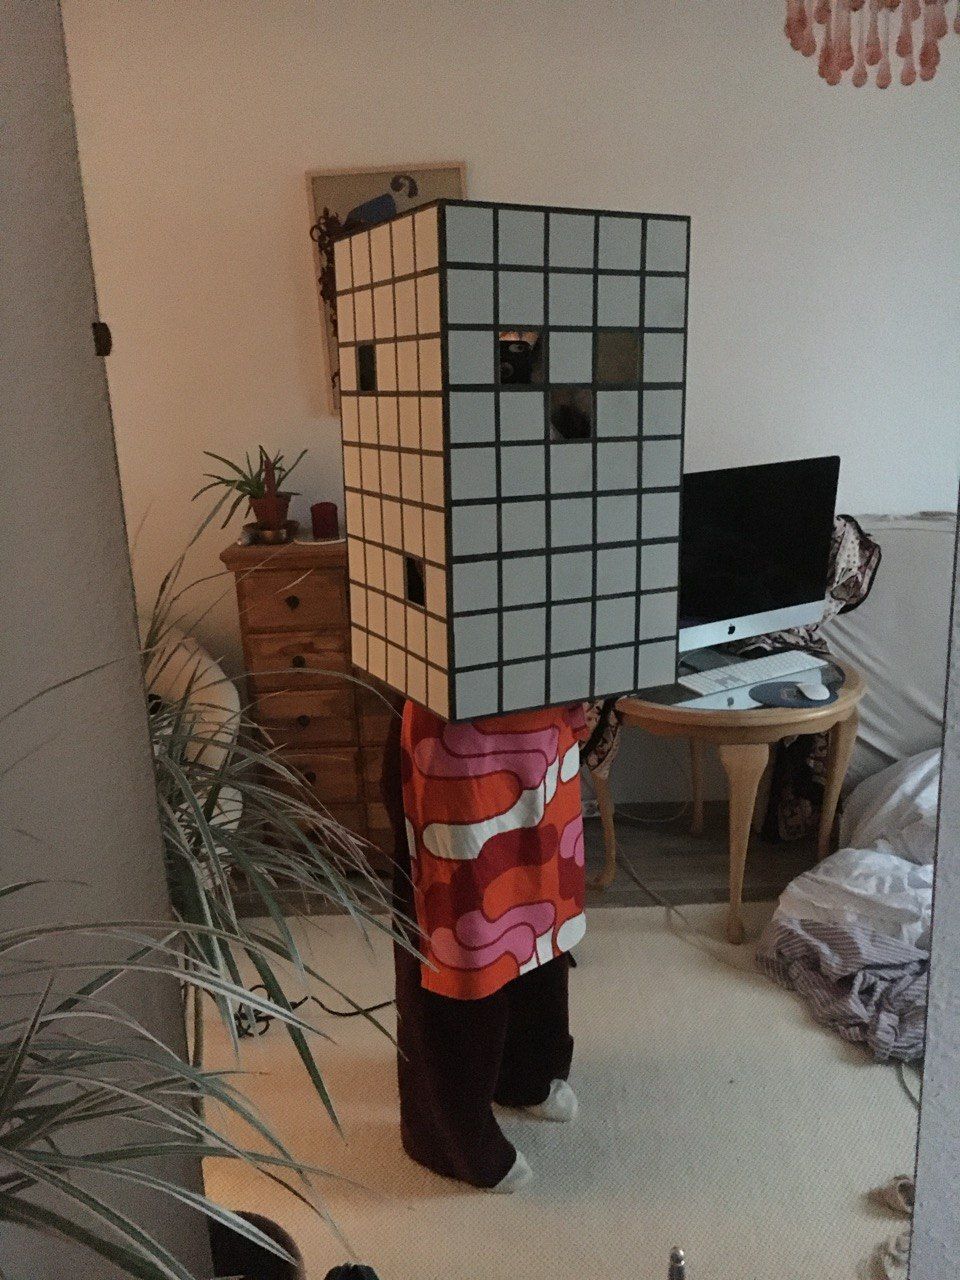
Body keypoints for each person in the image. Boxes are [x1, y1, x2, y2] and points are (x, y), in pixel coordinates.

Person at [382, 697, 588, 1191]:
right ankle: (445, 1129)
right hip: (451, 735)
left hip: (543, 724)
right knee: (462, 932)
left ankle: (525, 1071)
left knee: (539, 908)